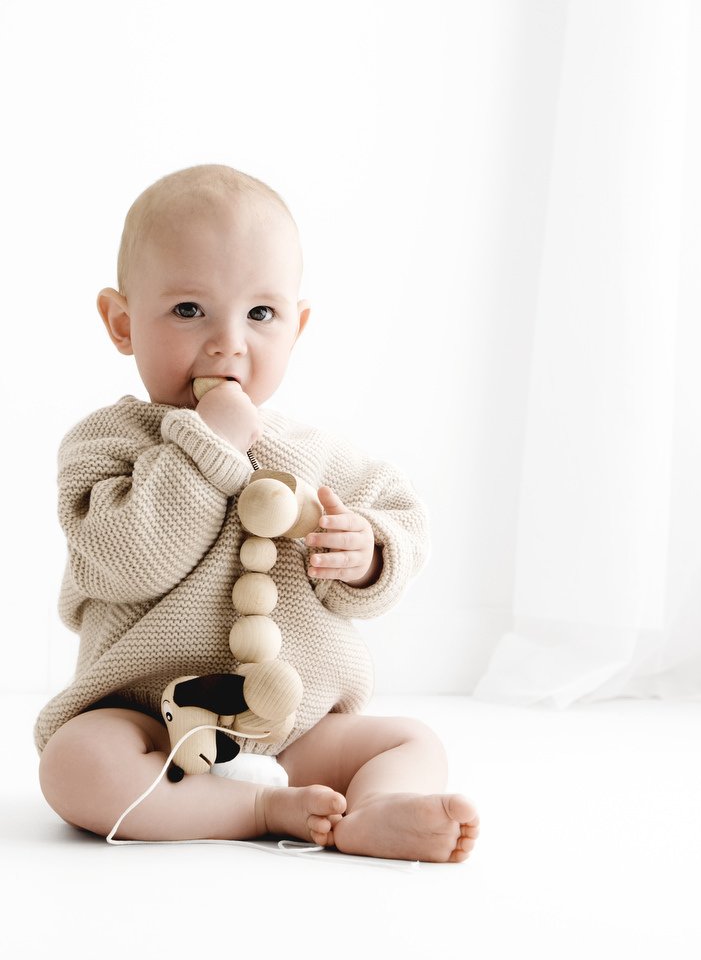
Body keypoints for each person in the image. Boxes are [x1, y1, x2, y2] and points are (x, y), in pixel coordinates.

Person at [35, 164, 478, 863]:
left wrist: (366, 553)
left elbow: (403, 518)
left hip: (296, 731)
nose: (228, 343)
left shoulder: (319, 454)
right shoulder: (107, 446)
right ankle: (256, 808)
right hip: (154, 730)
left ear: (296, 327)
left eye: (260, 314)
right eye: (188, 311)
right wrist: (205, 444)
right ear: (122, 323)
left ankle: (374, 809)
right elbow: (124, 562)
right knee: (74, 764)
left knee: (411, 741)